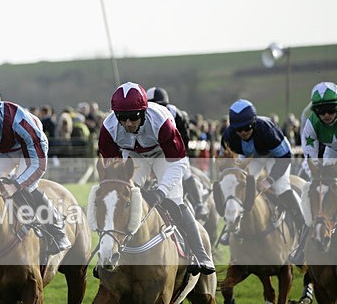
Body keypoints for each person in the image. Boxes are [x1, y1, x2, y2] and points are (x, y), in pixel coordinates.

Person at [99, 82, 215, 275]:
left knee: (174, 201)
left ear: (143, 112)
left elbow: (178, 162)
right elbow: (114, 170)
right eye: (122, 117)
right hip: (133, 155)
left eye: (133, 117)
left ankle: (200, 254)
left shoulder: (161, 121)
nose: (128, 123)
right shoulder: (108, 129)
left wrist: (161, 193)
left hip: (164, 155)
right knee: (119, 197)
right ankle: (106, 252)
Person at [0, 84, 71, 261]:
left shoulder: (19, 121)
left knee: (26, 187)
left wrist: (16, 185)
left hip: (28, 149)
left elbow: (37, 165)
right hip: (1, 151)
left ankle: (56, 228)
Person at [220, 99, 306, 264]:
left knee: (280, 186)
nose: (243, 132)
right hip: (253, 157)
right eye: (239, 129)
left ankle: (301, 224)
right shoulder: (228, 136)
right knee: (241, 184)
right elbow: (226, 163)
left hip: (277, 156)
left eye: (247, 128)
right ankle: (230, 225)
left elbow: (285, 158)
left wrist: (269, 180)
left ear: (253, 123)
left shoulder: (267, 130)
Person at [146, 86, 206, 217]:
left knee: (186, 173)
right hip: (153, 153)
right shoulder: (146, 117)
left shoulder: (178, 114)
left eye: (161, 105)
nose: (158, 109)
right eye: (155, 105)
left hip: (176, 151)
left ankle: (199, 204)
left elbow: (184, 138)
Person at [295, 82, 337, 261]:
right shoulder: (310, 123)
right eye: (321, 111)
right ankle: (302, 243)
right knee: (314, 189)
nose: (326, 115)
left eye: (331, 110)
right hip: (331, 150)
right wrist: (317, 177)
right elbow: (310, 158)